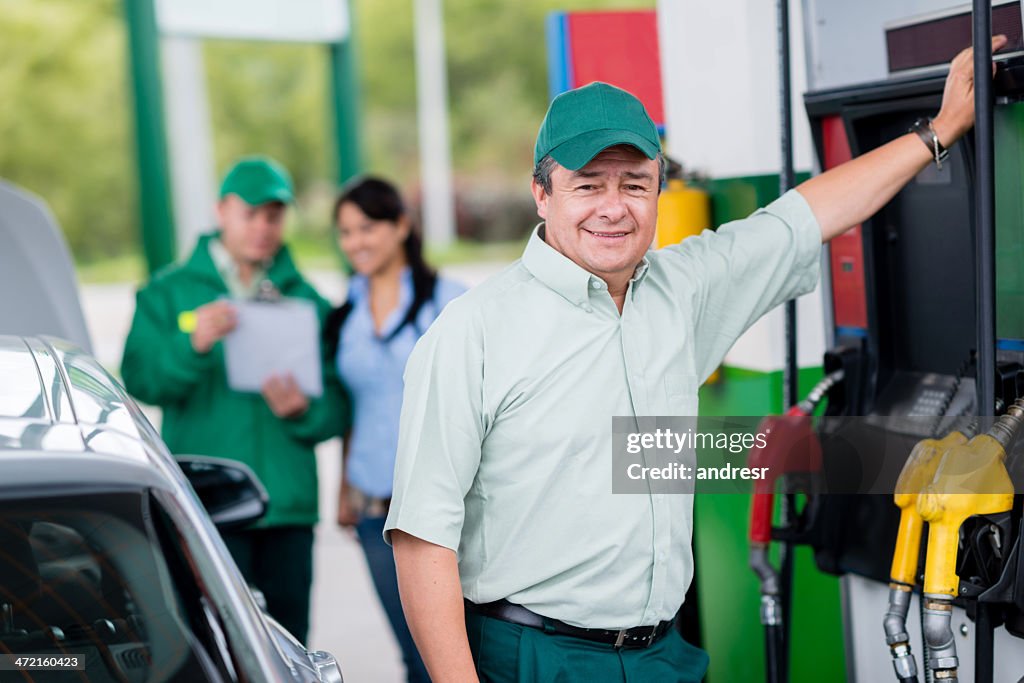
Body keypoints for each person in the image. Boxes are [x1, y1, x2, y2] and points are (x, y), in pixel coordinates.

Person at [381, 38, 1007, 683]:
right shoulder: (473, 333)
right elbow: (422, 537)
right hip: (535, 655)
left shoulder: (683, 290)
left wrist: (939, 131)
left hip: (664, 655)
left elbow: (804, 216)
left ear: (657, 189)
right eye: (586, 185)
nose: (613, 206)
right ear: (542, 194)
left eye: (634, 183)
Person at [121, 156, 348, 644]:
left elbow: (337, 407)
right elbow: (138, 379)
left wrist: (303, 411)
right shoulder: (167, 293)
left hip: (287, 509)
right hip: (207, 506)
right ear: (221, 210)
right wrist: (192, 346)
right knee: (215, 647)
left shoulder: (308, 301)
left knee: (288, 645)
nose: (264, 227)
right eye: (251, 213)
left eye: (274, 215)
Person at [325, 177, 465, 683]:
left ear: (401, 225)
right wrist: (342, 487)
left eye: (367, 227)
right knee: (413, 654)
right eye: (344, 232)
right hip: (372, 509)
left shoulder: (450, 302)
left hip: (443, 511)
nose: (355, 242)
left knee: (457, 655)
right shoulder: (347, 312)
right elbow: (351, 407)